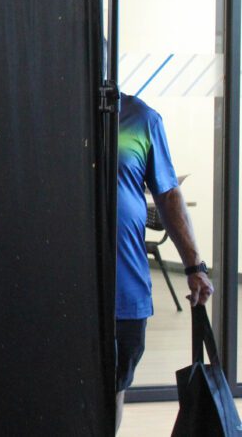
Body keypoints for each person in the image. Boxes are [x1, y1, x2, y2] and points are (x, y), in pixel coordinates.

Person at [115, 93, 214, 431]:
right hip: (64, 288)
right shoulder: (55, 112)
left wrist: (195, 267)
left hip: (124, 290)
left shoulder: (142, 119)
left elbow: (169, 195)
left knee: (115, 383)